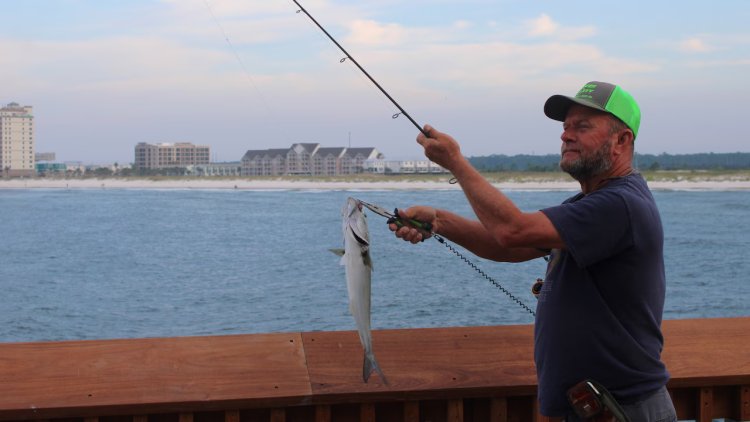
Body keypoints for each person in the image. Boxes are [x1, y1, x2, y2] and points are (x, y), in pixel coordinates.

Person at [391, 81, 677, 421]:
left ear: (621, 141)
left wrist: (455, 162)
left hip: (624, 409)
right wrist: (440, 221)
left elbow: (512, 230)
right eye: (565, 127)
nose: (566, 136)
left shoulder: (619, 205)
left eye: (582, 126)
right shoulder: (592, 205)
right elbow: (510, 246)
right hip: (596, 408)